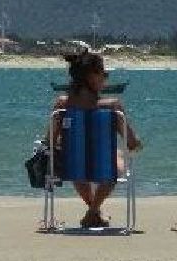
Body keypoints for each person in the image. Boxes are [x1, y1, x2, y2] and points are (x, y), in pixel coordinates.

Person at [49, 50, 142, 229]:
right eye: (104, 74)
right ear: (92, 77)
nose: (106, 78)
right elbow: (131, 143)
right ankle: (93, 212)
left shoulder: (61, 106)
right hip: (104, 169)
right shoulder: (113, 107)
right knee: (116, 159)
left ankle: (94, 213)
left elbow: (50, 141)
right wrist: (137, 143)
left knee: (76, 158)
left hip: (73, 168)